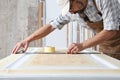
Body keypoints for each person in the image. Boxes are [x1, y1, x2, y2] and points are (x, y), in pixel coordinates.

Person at [12, 0, 120, 59]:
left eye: (70, 7)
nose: (71, 12)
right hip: (108, 47)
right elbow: (51, 26)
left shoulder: (104, 1)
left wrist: (82, 45)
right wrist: (27, 40)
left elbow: (111, 30)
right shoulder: (72, 13)